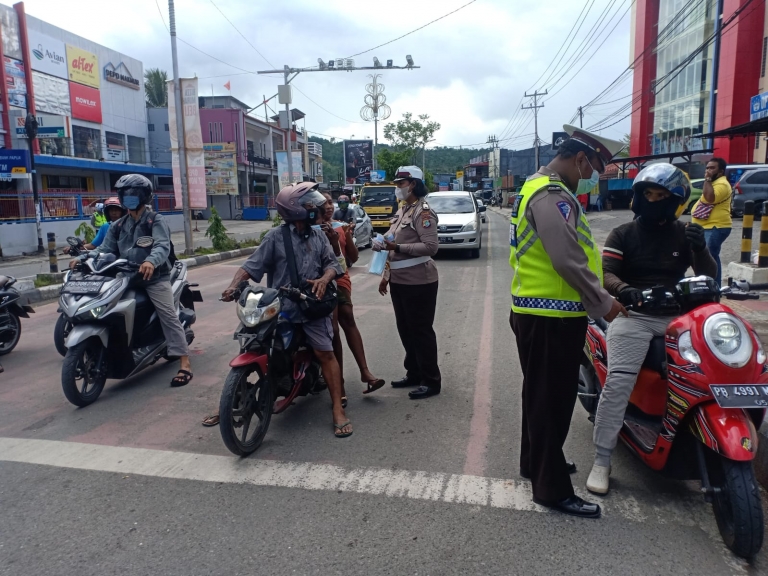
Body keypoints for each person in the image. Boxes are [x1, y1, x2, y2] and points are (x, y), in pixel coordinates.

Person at [509, 124, 627, 519]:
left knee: (539, 396)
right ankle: (551, 487)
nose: (591, 177)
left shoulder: (534, 185)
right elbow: (567, 259)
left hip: (540, 311)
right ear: (579, 158)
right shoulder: (551, 196)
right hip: (551, 315)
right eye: (591, 168)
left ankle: (536, 462)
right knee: (552, 402)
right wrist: (602, 302)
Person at [586, 165, 716, 495]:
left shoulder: (685, 233)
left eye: (661, 196)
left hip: (678, 316)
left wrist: (701, 248)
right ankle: (602, 460)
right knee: (618, 382)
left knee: (709, 373)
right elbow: (608, 274)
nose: (653, 200)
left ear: (676, 202)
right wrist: (625, 290)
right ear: (638, 195)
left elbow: (708, 275)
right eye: (648, 194)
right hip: (635, 314)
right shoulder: (622, 234)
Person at [219, 182, 352, 438]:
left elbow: (334, 266)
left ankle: (337, 408)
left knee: (325, 353)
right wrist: (233, 285)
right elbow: (251, 266)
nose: (317, 207)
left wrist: (325, 280)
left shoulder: (318, 236)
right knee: (252, 342)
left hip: (312, 305)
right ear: (295, 210)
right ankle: (232, 398)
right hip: (280, 308)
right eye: (310, 204)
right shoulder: (275, 238)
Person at [85, 175, 193, 387]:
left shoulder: (155, 220)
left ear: (143, 196)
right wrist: (83, 257)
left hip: (154, 278)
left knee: (168, 315)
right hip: (125, 277)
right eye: (125, 194)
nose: (129, 197)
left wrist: (151, 261)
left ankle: (184, 362)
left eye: (133, 194)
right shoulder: (118, 225)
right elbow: (104, 250)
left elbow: (162, 246)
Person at [375, 165, 441, 400]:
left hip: (419, 281)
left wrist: (398, 247)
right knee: (405, 330)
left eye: (401, 183)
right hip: (399, 281)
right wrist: (386, 276)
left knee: (421, 330)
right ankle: (413, 372)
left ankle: (431, 380)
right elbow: (391, 243)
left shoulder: (423, 213)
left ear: (413, 184)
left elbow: (431, 247)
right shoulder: (403, 210)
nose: (397, 188)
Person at [320, 192, 385, 401]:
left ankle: (365, 372)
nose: (329, 206)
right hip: (319, 281)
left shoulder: (339, 226)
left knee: (347, 316)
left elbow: (353, 257)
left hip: (339, 279)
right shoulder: (309, 229)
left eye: (331, 202)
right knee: (333, 329)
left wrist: (345, 235)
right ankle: (339, 384)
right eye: (325, 203)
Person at [691, 157, 732, 287]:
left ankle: (712, 287)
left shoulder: (722, 184)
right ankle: (714, 287)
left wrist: (707, 179)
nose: (708, 170)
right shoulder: (714, 182)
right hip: (707, 226)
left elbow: (709, 198)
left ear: (721, 171)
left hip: (715, 226)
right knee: (712, 258)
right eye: (707, 168)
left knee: (708, 259)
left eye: (712, 168)